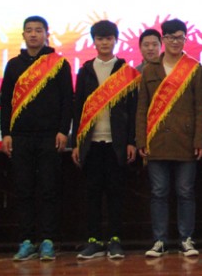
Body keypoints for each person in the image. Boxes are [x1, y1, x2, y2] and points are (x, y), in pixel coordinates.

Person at [0, 15, 74, 261]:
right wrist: (6, 132)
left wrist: (63, 130)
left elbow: (67, 100)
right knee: (24, 189)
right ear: (23, 35)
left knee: (49, 189)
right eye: (29, 30)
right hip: (20, 136)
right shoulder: (13, 65)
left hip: (50, 136)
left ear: (46, 34)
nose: (33, 34)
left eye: (38, 30)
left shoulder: (59, 64)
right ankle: (27, 240)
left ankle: (48, 240)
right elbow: (6, 101)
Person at [135, 18, 202, 258]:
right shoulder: (150, 69)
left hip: (186, 141)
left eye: (180, 37)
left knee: (185, 192)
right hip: (156, 141)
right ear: (163, 40)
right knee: (159, 192)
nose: (175, 42)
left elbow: (200, 107)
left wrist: (201, 140)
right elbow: (142, 108)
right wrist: (141, 140)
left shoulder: (194, 68)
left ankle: (186, 238)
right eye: (170, 37)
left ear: (185, 39)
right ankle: (160, 240)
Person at [71, 20, 139, 259]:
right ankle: (94, 240)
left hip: (116, 144)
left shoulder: (126, 71)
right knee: (92, 193)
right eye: (100, 39)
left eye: (109, 38)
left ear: (115, 40)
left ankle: (115, 240)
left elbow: (133, 110)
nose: (104, 43)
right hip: (91, 143)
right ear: (94, 41)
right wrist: (76, 142)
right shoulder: (86, 71)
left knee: (116, 193)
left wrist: (131, 141)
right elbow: (78, 108)